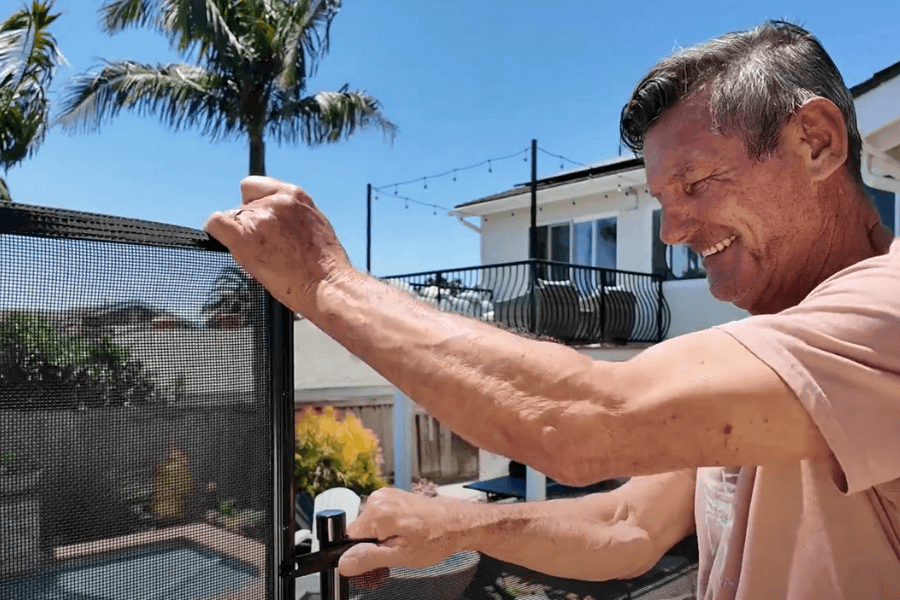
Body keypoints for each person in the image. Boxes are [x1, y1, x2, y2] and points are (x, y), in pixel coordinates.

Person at [205, 20, 900, 600]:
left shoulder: (887, 308)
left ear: (816, 141)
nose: (672, 231)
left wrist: (327, 283)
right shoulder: (771, 350)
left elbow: (591, 419)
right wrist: (460, 527)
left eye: (695, 182)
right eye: (663, 199)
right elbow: (630, 524)